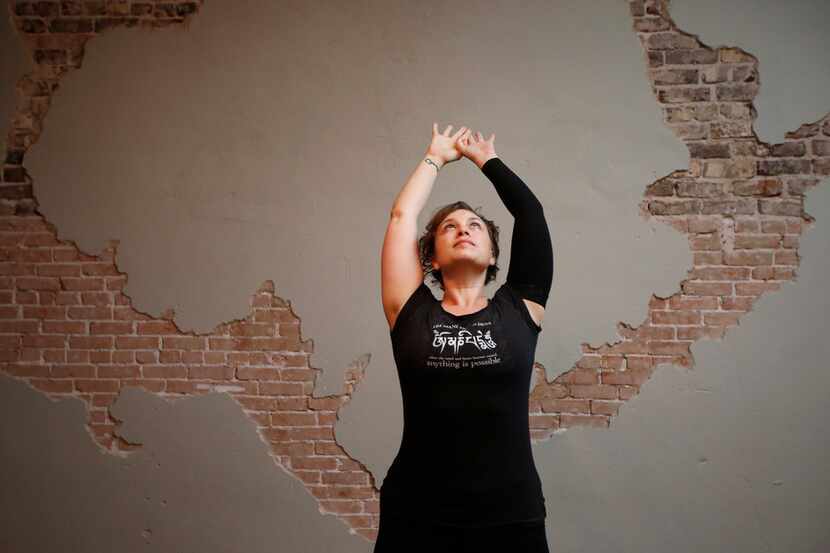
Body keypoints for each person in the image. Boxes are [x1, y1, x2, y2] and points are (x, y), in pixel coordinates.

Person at [376, 123, 554, 553]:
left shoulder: (521, 307)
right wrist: (435, 157)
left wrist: (486, 159)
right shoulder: (409, 309)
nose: (463, 229)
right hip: (416, 513)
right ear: (431, 259)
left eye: (475, 225)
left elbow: (530, 214)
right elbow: (402, 218)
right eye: (449, 227)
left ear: (493, 253)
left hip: (510, 513)